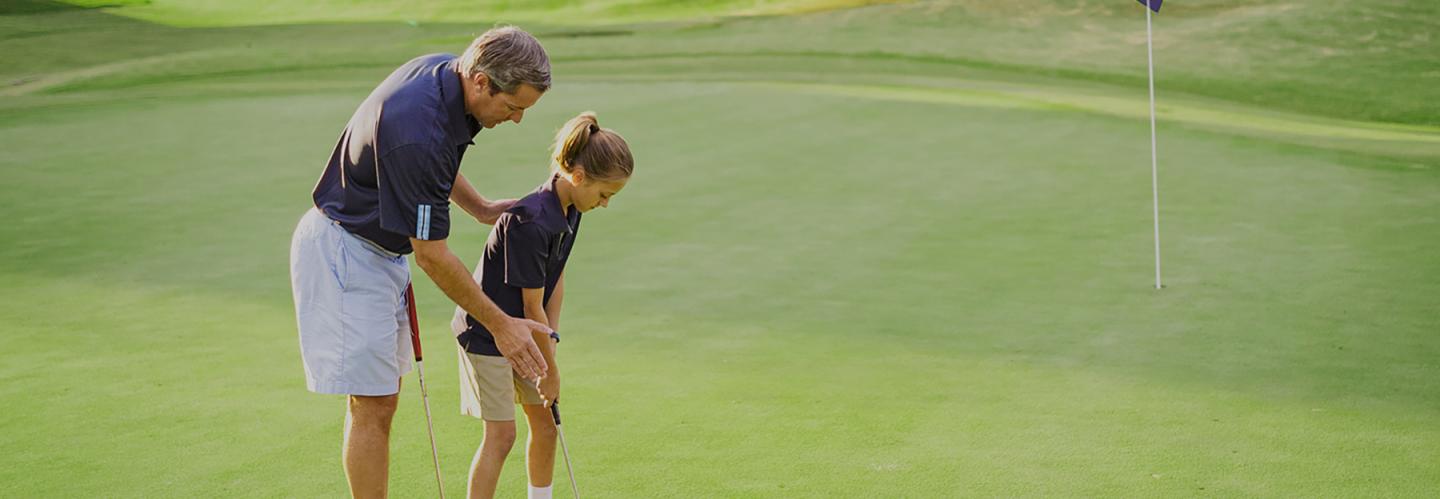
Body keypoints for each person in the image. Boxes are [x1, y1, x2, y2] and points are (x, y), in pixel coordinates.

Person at [289, 26, 557, 498]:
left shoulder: (446, 74)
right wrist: (501, 325)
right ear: (480, 81)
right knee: (372, 405)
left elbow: (438, 162)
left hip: (376, 252)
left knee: (382, 402)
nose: (516, 120)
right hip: (347, 253)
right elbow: (432, 255)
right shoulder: (419, 129)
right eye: (513, 107)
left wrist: (478, 207)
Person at [451, 112, 634, 499]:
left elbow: (556, 279)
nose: (604, 205)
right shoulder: (532, 221)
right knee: (502, 435)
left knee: (545, 424)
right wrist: (550, 370)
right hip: (487, 334)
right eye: (604, 194)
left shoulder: (571, 208)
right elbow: (530, 304)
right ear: (578, 176)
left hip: (527, 329)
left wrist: (552, 340)